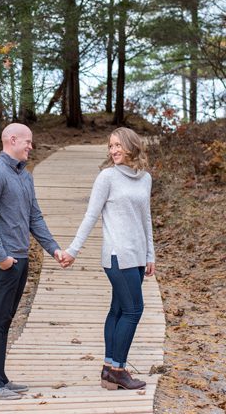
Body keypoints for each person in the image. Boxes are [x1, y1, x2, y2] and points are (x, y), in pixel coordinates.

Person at [59, 127, 155, 391]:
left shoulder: (144, 178)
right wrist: (73, 250)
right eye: (110, 146)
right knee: (134, 310)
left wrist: (150, 255)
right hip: (116, 255)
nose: (113, 151)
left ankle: (108, 367)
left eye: (117, 145)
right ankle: (118, 370)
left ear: (131, 146)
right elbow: (91, 215)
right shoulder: (107, 177)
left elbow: (145, 218)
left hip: (136, 256)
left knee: (119, 310)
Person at [0, 122, 67, 400]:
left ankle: (0, 378)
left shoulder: (24, 176)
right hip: (3, 260)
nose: (31, 146)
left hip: (21, 258)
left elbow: (34, 218)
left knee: (5, 319)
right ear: (12, 140)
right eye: (27, 142)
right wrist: (3, 256)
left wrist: (53, 249)